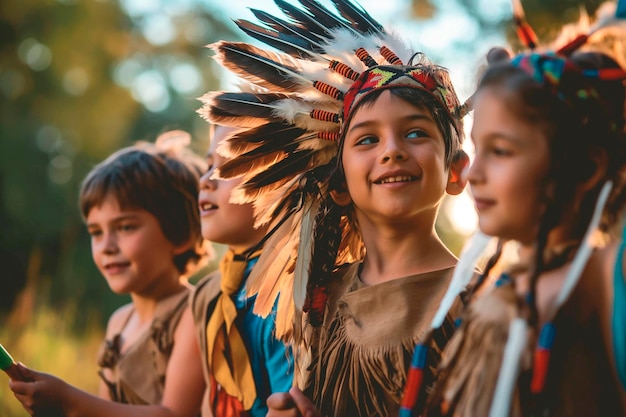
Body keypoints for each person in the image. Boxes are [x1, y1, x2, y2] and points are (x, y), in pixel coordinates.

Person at [196, 1, 471, 415]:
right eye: (366, 139)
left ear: (456, 170)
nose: (392, 150)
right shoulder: (318, 299)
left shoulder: (479, 306)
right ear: (338, 185)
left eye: (415, 133)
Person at [422, 2, 626, 415]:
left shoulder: (607, 283)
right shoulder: (496, 292)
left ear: (586, 166)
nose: (474, 174)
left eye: (501, 151)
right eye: (479, 148)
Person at [9, 131, 208, 417]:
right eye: (96, 232)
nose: (107, 247)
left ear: (180, 234)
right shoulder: (118, 323)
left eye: (126, 227)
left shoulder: (194, 313)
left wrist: (69, 401)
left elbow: (175, 414)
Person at [189, 124, 294, 417]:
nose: (205, 180)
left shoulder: (287, 294)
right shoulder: (213, 291)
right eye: (209, 164)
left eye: (230, 167)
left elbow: (289, 405)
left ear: (285, 182)